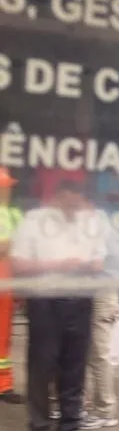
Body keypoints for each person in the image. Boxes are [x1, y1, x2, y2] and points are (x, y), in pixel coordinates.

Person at [11, 179, 106, 431]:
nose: (74, 209)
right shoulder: (34, 221)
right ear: (57, 196)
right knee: (42, 367)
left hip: (80, 301)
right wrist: (57, 265)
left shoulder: (89, 223)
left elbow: (100, 261)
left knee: (74, 367)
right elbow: (19, 264)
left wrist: (89, 265)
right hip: (46, 302)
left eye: (78, 204)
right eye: (69, 203)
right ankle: (38, 430)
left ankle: (69, 428)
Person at [82, 207, 119, 431]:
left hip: (102, 293)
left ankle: (105, 411)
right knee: (93, 352)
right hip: (101, 292)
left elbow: (95, 264)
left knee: (99, 354)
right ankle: (91, 405)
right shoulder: (103, 223)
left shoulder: (96, 226)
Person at [0, 168, 23, 404]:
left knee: (4, 339)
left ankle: (4, 386)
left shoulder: (13, 214)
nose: (7, 191)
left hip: (7, 283)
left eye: (8, 187)